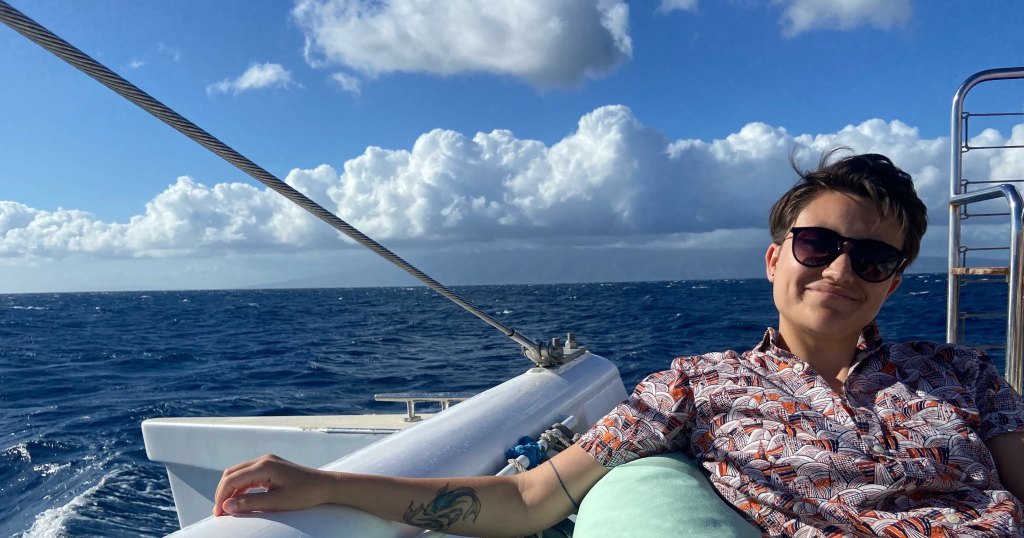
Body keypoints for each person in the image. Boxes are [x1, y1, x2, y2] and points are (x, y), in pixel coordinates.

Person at [214, 151, 1024, 536]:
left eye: (874, 258)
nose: (842, 269)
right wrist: (328, 483)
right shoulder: (697, 386)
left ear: (895, 282)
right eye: (819, 245)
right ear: (776, 258)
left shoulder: (964, 373)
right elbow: (531, 500)